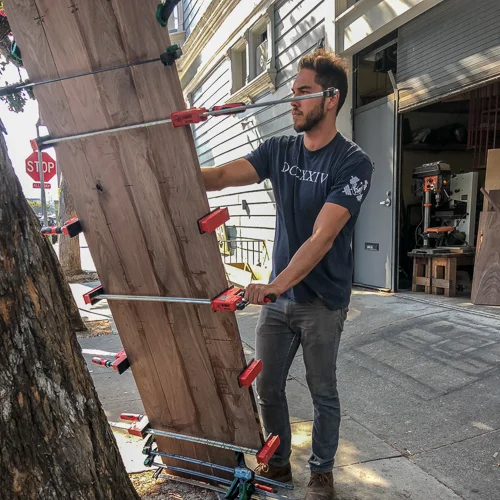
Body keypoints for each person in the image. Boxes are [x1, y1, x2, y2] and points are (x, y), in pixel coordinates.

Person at [201, 48, 373, 500]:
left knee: (322, 391)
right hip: (279, 302)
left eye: (302, 92)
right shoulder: (278, 150)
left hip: (322, 302)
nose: (291, 101)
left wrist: (275, 285)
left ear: (331, 98)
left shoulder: (353, 163)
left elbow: (322, 236)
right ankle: (278, 464)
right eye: (291, 92)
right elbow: (220, 177)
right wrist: (166, 166)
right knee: (268, 387)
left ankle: (321, 474)